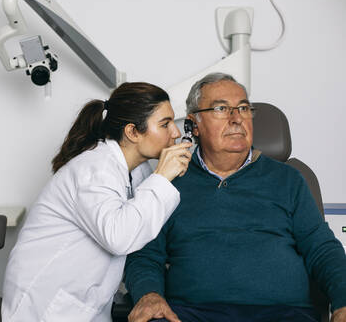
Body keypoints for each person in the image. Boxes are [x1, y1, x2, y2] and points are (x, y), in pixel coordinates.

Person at [124, 73, 346, 322]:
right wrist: (149, 294)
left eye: (243, 108)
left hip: (284, 314)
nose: (237, 118)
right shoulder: (168, 180)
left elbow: (323, 249)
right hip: (191, 314)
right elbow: (145, 255)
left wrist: (343, 301)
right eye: (221, 108)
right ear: (193, 125)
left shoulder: (289, 179)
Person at [1, 82, 193, 322]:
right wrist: (163, 177)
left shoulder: (138, 171)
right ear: (133, 132)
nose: (175, 133)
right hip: (46, 303)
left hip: (84, 303)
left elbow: (143, 223)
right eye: (164, 124)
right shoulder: (94, 169)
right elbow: (119, 238)